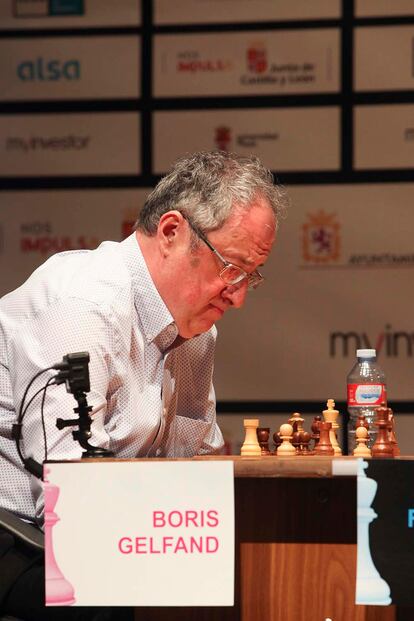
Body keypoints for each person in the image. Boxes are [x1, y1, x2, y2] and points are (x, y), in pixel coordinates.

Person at [0, 150, 287, 620]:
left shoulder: (196, 336)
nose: (237, 298)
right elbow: (72, 493)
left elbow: (193, 469)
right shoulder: (83, 306)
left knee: (246, 577)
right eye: (231, 269)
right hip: (20, 538)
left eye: (249, 278)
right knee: (123, 600)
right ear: (172, 232)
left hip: (111, 536)